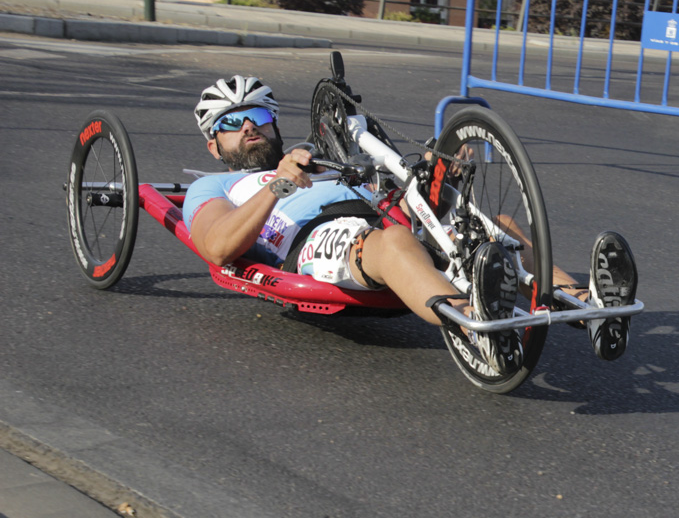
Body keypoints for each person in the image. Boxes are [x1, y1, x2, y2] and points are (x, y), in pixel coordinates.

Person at [182, 75, 638, 373]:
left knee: (493, 226)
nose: (248, 127)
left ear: (274, 122)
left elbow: (389, 189)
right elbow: (219, 247)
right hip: (315, 241)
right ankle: (476, 325)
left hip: (384, 215)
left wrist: (434, 177)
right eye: (231, 122)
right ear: (213, 145)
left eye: (258, 116)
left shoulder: (315, 159)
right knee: (391, 240)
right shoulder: (214, 187)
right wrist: (277, 185)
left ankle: (590, 307)